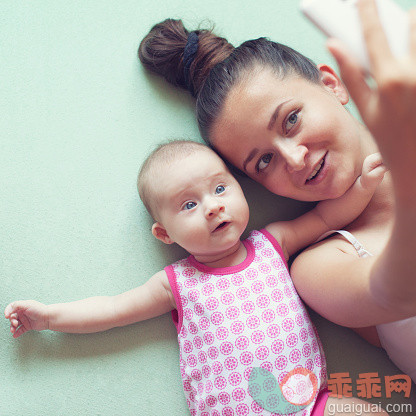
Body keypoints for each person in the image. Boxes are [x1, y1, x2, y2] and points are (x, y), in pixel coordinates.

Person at [137, 0, 416, 381]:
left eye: (291, 120)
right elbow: (398, 292)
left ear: (332, 85)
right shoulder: (318, 268)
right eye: (264, 161)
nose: (295, 159)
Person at [5, 140, 387, 416]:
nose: (213, 206)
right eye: (189, 204)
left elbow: (324, 218)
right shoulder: (177, 283)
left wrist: (363, 187)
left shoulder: (274, 243)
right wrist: (48, 317)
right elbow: (112, 310)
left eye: (220, 188)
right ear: (164, 234)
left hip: (310, 404)